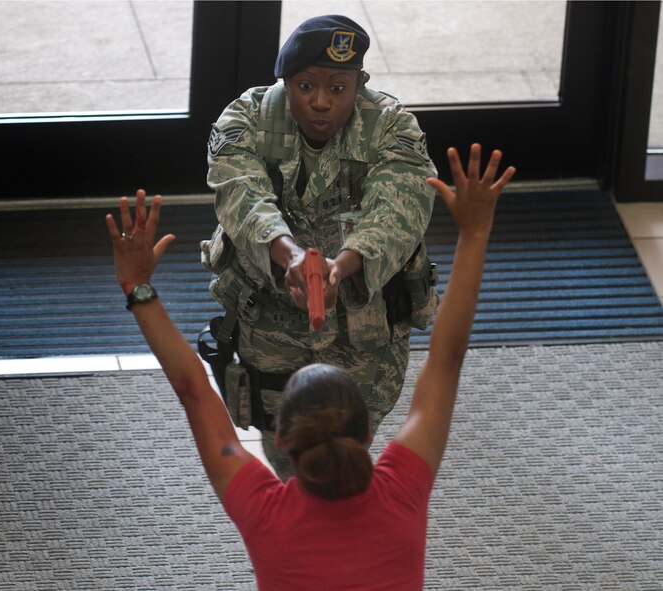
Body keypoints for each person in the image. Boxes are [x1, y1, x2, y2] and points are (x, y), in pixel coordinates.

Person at [106, 143, 515, 590]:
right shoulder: (401, 492)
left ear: (279, 438)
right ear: (367, 434)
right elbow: (447, 358)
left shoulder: (266, 512)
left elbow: (192, 388)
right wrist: (475, 234)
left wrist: (138, 285)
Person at [200, 15, 439, 477]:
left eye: (338, 87)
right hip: (270, 319)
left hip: (363, 325)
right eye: (306, 86)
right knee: (284, 443)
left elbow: (396, 214)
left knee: (351, 451)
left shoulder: (393, 128)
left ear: (359, 84)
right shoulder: (244, 120)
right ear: (285, 82)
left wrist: (340, 267)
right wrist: (291, 257)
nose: (321, 103)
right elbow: (242, 197)